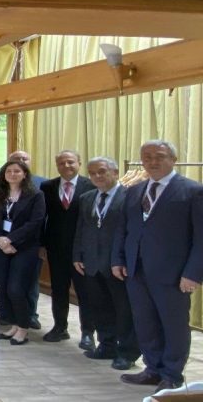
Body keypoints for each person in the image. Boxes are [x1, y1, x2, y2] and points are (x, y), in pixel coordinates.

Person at [114, 140, 203, 392]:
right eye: (147, 157)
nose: (153, 161)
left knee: (173, 325)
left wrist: (193, 273)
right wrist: (118, 260)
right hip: (136, 270)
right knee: (145, 323)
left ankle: (172, 374)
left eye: (160, 156)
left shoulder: (193, 191)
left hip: (174, 274)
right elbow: (124, 229)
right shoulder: (134, 191)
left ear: (173, 159)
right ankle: (152, 369)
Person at [74, 157, 139, 370]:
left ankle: (127, 352)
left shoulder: (130, 197)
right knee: (100, 307)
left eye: (102, 171)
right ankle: (106, 345)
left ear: (116, 172)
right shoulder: (87, 197)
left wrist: (126, 260)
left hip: (118, 265)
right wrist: (77, 255)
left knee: (124, 310)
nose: (97, 176)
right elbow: (81, 229)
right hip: (92, 262)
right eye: (92, 173)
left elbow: (133, 233)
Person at [0, 160, 45, 346]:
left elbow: (35, 222)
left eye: (17, 171)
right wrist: (0, 240)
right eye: (9, 171)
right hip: (0, 247)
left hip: (24, 247)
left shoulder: (35, 195)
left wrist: (10, 239)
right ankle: (13, 324)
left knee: (16, 288)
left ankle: (23, 328)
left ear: (24, 174)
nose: (12, 174)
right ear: (4, 174)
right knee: (3, 287)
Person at [41, 150, 95, 349]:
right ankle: (60, 327)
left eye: (70, 162)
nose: (66, 166)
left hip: (82, 251)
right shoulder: (48, 186)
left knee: (84, 292)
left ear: (79, 163)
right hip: (56, 249)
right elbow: (42, 217)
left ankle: (88, 333)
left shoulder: (91, 186)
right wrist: (42, 244)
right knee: (58, 290)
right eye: (62, 163)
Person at [7, 149, 46, 329]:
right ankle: (10, 316)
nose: (21, 161)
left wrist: (43, 243)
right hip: (4, 243)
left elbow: (41, 218)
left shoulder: (42, 184)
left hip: (30, 242)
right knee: (9, 283)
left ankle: (31, 315)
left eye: (25, 158)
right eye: (16, 159)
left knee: (30, 282)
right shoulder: (2, 186)